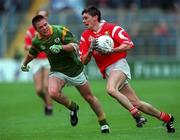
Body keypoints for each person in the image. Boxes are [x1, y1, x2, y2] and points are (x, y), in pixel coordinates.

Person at [79, 6, 175, 133]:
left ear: (95, 17)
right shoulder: (85, 36)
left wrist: (113, 50)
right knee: (137, 103)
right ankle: (167, 118)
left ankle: (136, 115)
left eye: (86, 18)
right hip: (108, 71)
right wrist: (91, 50)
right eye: (83, 19)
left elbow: (129, 44)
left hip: (119, 65)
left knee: (111, 89)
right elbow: (84, 61)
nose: (83, 21)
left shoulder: (112, 28)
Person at [21, 15, 110, 133]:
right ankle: (73, 107)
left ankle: (103, 123)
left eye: (45, 25)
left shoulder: (60, 31)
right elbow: (32, 53)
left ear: (48, 23)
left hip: (75, 70)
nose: (44, 28)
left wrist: (61, 47)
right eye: (41, 27)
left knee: (89, 97)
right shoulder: (37, 40)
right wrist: (24, 64)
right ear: (36, 30)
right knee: (52, 92)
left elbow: (75, 45)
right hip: (57, 71)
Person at [23, 10, 53, 116]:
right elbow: (25, 46)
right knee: (39, 90)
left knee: (46, 86)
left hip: (48, 60)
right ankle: (46, 101)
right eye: (39, 16)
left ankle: (49, 107)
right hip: (36, 61)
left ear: (47, 18)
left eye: (44, 16)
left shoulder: (52, 30)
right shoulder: (31, 31)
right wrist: (34, 47)